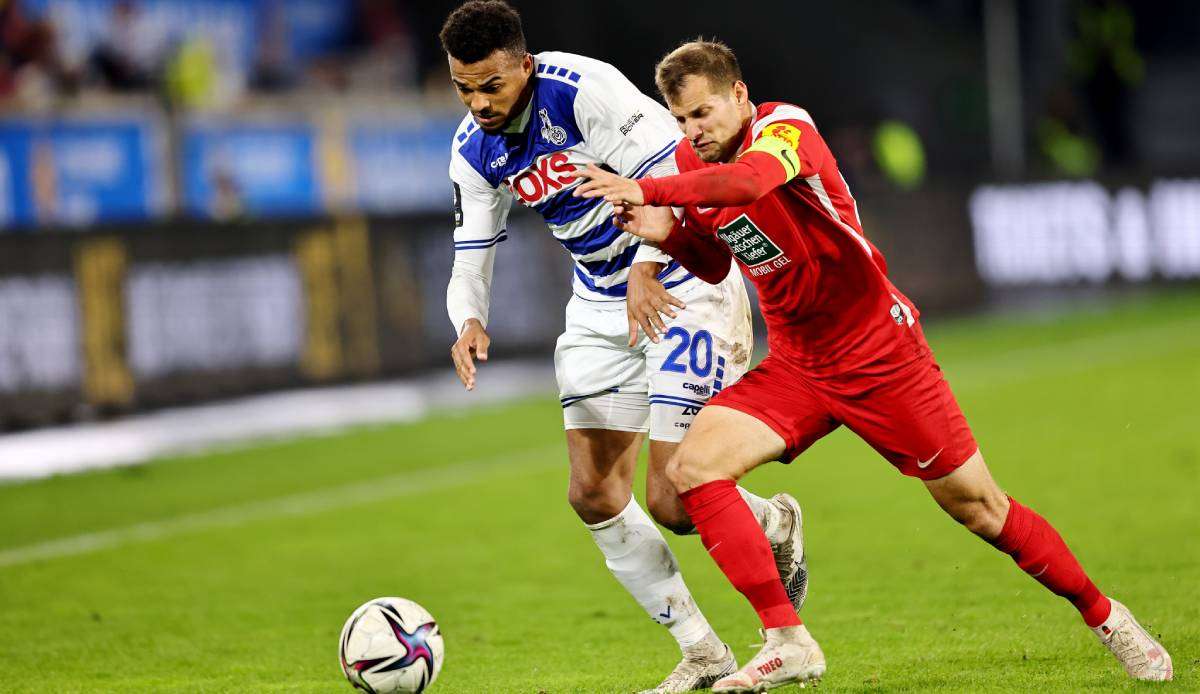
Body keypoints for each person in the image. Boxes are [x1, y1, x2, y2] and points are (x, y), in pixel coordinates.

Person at [574, 38, 1173, 691]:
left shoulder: (784, 128)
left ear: (739, 96)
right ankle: (788, 638)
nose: (694, 131)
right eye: (682, 118)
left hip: (879, 353)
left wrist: (651, 187)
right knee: (693, 470)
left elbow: (749, 183)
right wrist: (667, 234)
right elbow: (718, 259)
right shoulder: (695, 162)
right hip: (800, 362)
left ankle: (1108, 617)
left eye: (704, 113)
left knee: (980, 509)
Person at [437, 5, 808, 691]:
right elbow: (470, 255)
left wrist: (645, 264)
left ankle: (774, 520)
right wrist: (468, 320)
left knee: (672, 498)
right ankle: (703, 650)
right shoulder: (472, 148)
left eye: (490, 85)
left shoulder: (582, 92)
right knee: (592, 492)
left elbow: (670, 171)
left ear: (524, 64)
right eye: (464, 88)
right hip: (599, 304)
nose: (478, 103)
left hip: (681, 281)